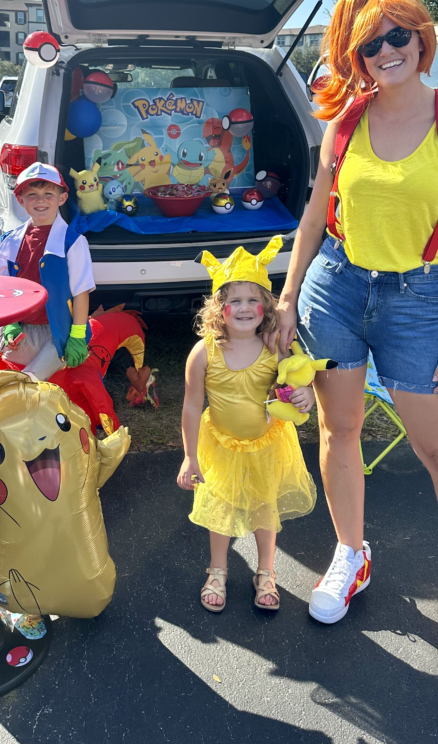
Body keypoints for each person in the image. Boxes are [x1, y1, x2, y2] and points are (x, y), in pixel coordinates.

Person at [272, 0, 438, 664]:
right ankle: (351, 554)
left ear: (421, 36)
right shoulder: (345, 120)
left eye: (398, 34)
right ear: (355, 55)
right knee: (338, 429)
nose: (387, 51)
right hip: (336, 289)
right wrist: (289, 296)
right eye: (371, 43)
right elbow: (314, 219)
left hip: (417, 298)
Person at [177, 237, 317, 613]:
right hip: (219, 445)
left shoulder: (275, 348)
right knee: (220, 507)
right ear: (218, 309)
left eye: (252, 299)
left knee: (263, 507)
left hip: (267, 443)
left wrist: (308, 396)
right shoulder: (204, 351)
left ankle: (266, 572)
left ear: (267, 306)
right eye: (233, 301)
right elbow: (191, 407)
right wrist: (190, 457)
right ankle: (217, 570)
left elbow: (296, 386)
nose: (243, 308)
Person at [0, 162, 94, 380]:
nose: (41, 200)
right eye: (32, 194)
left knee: (29, 380)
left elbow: (81, 293)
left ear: (62, 198)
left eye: (48, 193)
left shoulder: (73, 243)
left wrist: (77, 336)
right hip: (22, 329)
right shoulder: (8, 241)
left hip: (59, 333)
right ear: (21, 200)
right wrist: (9, 323)